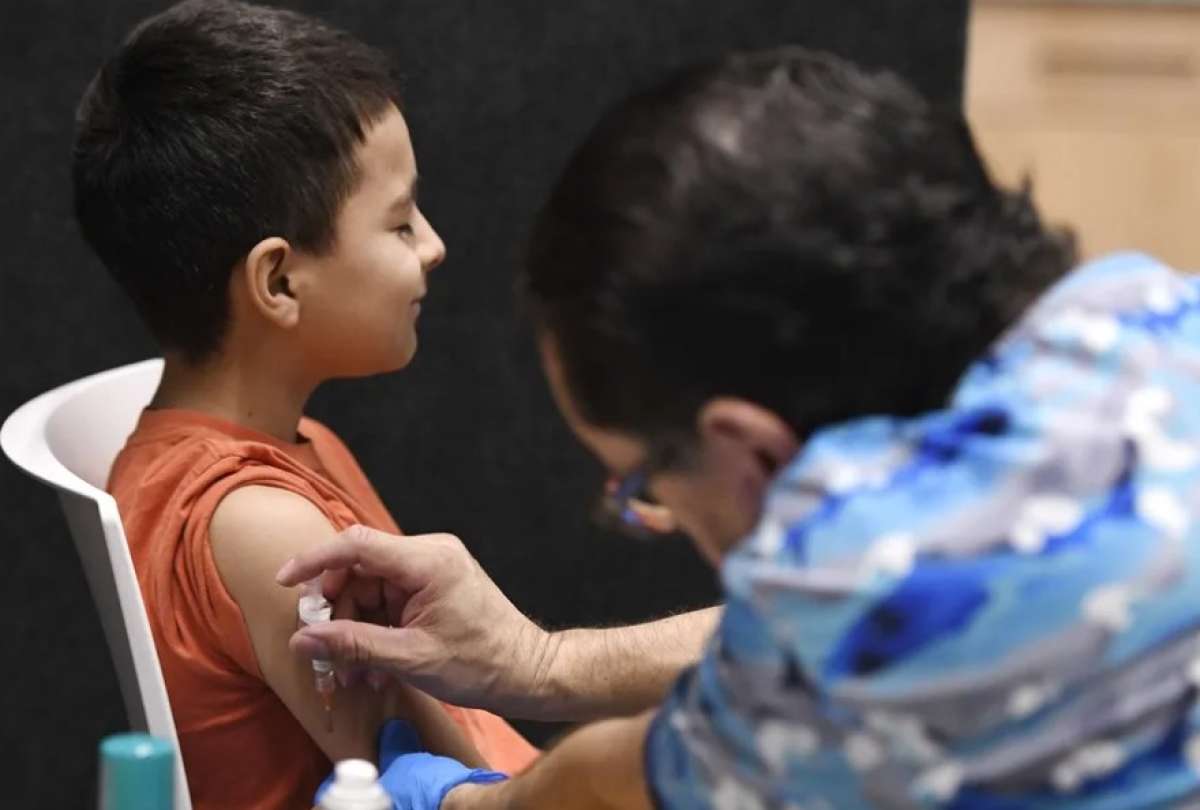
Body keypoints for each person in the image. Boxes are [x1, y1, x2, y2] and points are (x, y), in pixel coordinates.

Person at [279, 46, 1200, 808]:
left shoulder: (853, 592)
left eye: (644, 483)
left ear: (749, 447)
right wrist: (540, 660)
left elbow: (625, 779)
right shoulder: (1146, 310)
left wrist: (464, 803)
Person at [71, 1, 540, 807]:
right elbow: (468, 790)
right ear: (279, 281)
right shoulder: (265, 525)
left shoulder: (293, 446)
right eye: (400, 223)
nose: (434, 246)